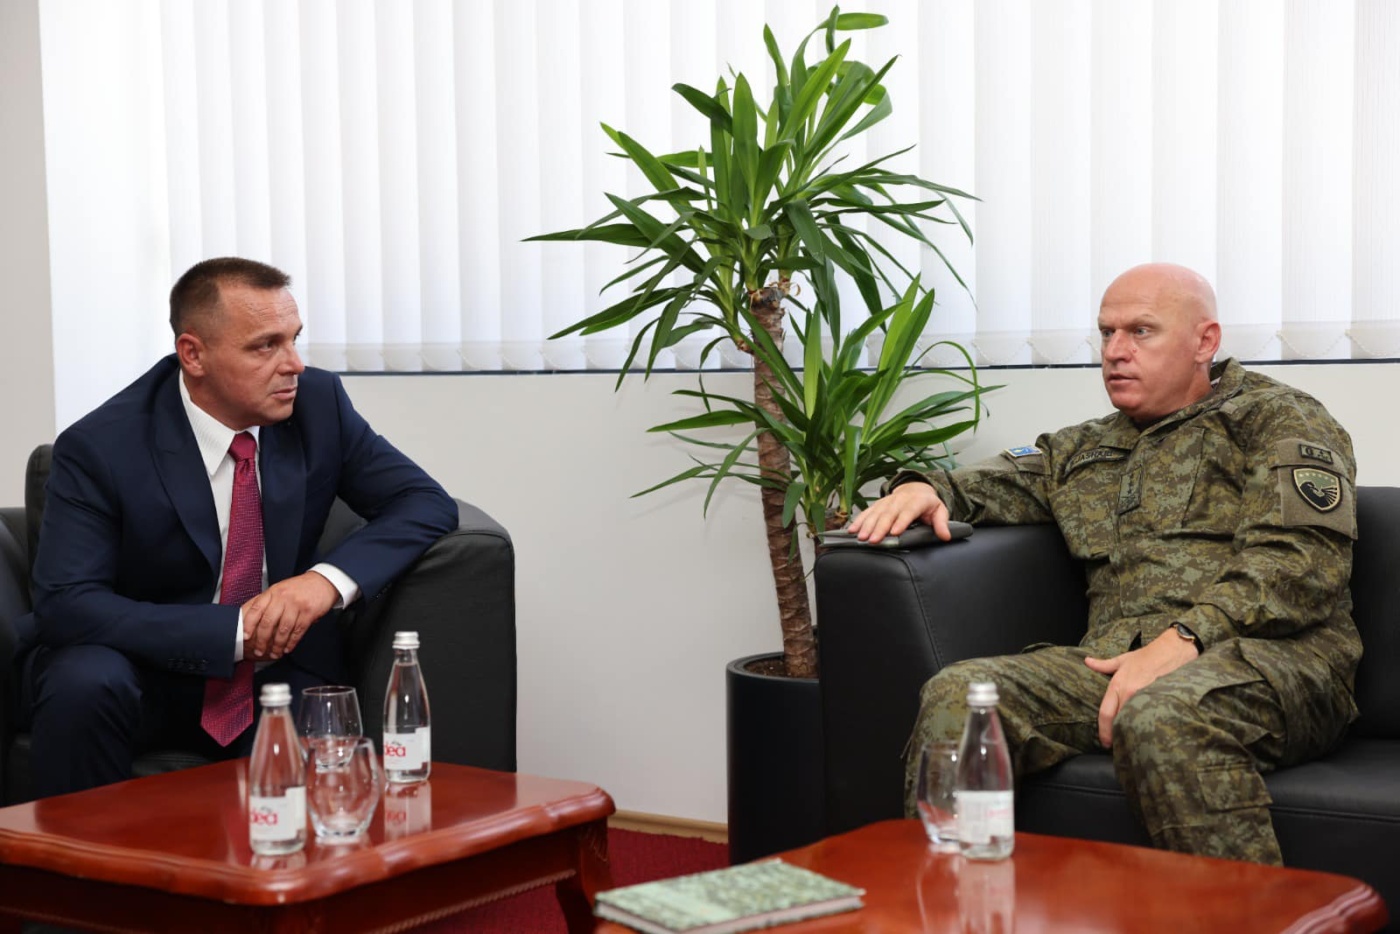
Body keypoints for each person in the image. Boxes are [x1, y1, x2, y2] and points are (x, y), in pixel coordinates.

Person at [848, 262, 1360, 865]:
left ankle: (1251, 911)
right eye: (1107, 333)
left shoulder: (1278, 418)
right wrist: (922, 487)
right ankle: (954, 900)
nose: (1115, 351)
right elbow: (986, 483)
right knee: (962, 695)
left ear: (1205, 342)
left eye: (1140, 331)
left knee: (1161, 714)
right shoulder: (1085, 447)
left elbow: (1300, 562)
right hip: (1118, 665)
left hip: (1278, 664)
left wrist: (1184, 639)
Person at [15, 257, 458, 797]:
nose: (294, 364)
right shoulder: (102, 446)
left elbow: (423, 501)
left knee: (314, 742)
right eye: (265, 346)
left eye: (294, 339)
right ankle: (78, 853)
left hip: (278, 671)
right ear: (193, 354)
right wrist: (232, 633)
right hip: (142, 665)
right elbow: (67, 603)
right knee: (83, 682)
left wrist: (322, 582)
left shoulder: (318, 406)